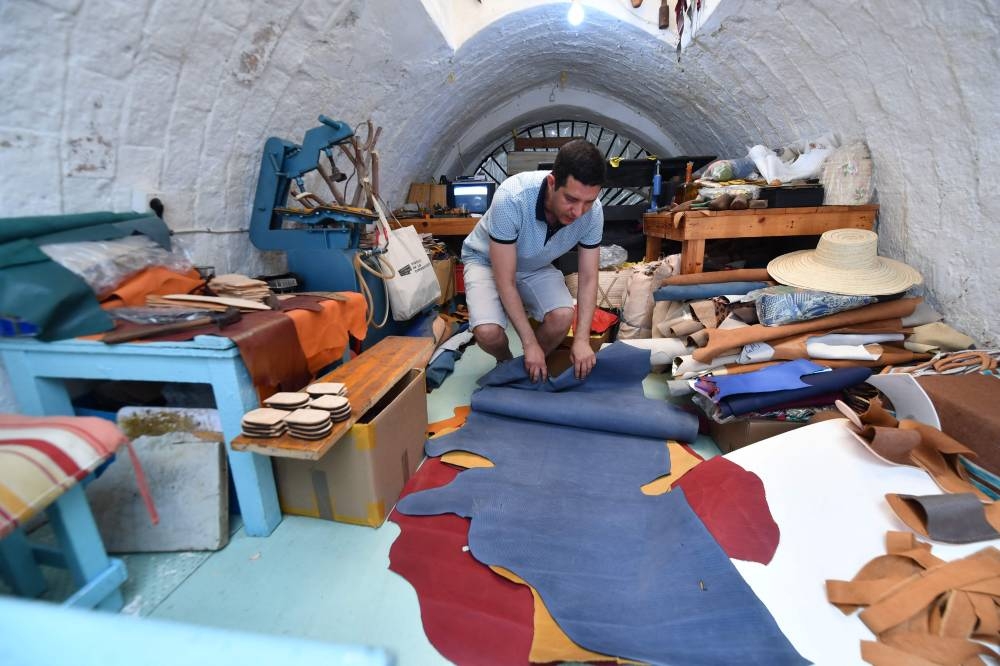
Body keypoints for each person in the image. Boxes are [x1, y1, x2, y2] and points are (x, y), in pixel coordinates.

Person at [461, 139, 605, 382]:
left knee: (562, 317)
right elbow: (505, 280)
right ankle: (507, 362)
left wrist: (581, 340)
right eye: (571, 199)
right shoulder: (511, 198)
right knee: (488, 332)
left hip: (533, 263)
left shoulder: (594, 213)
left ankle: (528, 370)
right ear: (552, 182)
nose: (579, 212)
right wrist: (528, 343)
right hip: (486, 261)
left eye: (588, 201)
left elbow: (589, 278)